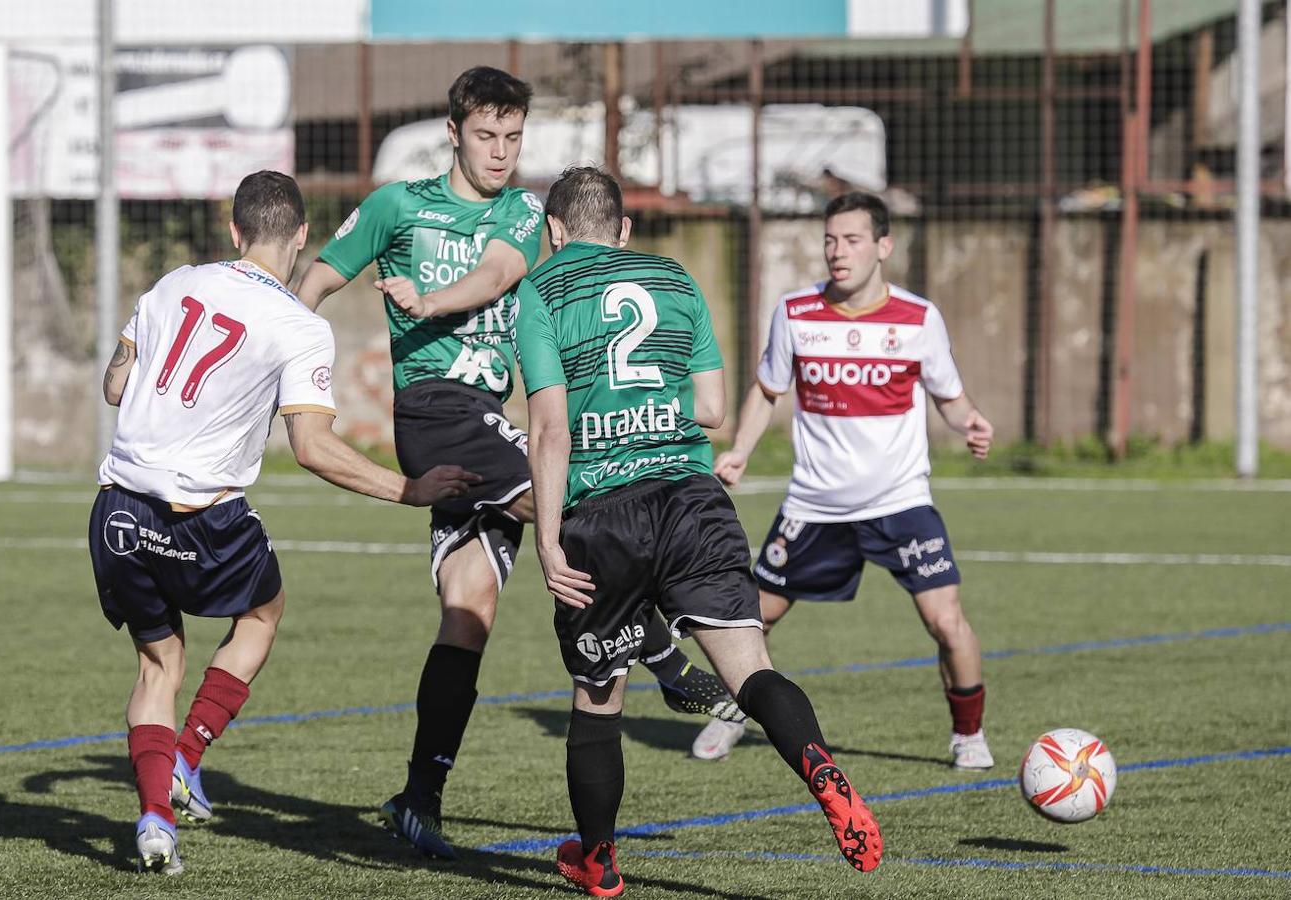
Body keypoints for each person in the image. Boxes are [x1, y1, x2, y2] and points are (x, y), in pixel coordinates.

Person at [293, 67, 742, 859]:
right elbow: (317, 282)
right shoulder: (398, 206)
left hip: (488, 419)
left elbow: (501, 273)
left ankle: (418, 798)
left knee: (469, 609)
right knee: (571, 504)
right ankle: (665, 653)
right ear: (453, 131)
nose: (501, 152)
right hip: (438, 411)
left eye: (513, 137)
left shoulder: (528, 213)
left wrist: (431, 302)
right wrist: (282, 349)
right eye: (485, 136)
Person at [90, 171, 477, 875]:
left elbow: (116, 385)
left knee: (159, 662)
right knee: (264, 611)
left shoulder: (174, 283)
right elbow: (313, 448)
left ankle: (154, 818)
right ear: (301, 237)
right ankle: (186, 757)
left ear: (235, 231)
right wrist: (409, 488)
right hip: (202, 516)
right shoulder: (299, 325)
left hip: (117, 507)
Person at [516, 166, 883, 896]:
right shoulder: (676, 276)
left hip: (605, 512)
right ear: (624, 229)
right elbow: (712, 407)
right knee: (750, 669)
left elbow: (550, 431)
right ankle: (821, 769)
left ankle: (600, 862)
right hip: (691, 495)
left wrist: (548, 539)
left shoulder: (541, 288)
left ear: (553, 232)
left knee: (599, 696)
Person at [713, 191, 996, 770]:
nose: (838, 252)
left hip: (901, 500)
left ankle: (968, 734)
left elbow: (950, 394)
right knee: (754, 617)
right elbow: (769, 389)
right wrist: (740, 451)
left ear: (883, 247)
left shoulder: (918, 318)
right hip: (815, 505)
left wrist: (969, 420)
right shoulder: (796, 313)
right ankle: (734, 712)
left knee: (946, 621)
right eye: (830, 240)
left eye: (853, 240)